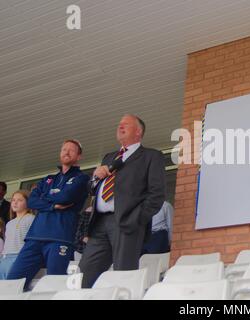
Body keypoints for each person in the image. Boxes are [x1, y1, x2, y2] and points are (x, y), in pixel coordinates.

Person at [79, 114, 166, 288]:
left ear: (139, 131)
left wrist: (136, 219)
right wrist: (96, 177)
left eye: (126, 124)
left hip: (127, 222)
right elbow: (91, 189)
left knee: (123, 277)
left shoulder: (151, 156)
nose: (120, 126)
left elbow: (157, 194)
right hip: (99, 224)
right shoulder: (109, 157)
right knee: (83, 276)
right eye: (119, 124)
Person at [7, 139, 89, 289]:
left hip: (60, 238)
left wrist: (44, 199)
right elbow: (31, 201)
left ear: (79, 157)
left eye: (71, 150)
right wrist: (53, 205)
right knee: (13, 282)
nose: (67, 152)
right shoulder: (48, 179)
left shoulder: (82, 178)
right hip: (34, 238)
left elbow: (66, 197)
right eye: (64, 149)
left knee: (54, 285)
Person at [0, 190, 35, 279]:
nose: (15, 203)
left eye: (19, 200)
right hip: (4, 258)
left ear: (28, 203)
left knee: (12, 286)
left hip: (19, 257)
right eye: (13, 200)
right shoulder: (9, 223)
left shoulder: (31, 219)